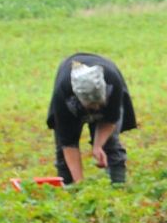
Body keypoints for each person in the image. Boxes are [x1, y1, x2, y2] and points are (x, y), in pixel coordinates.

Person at [46, 54, 137, 185]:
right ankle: (69, 189)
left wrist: (98, 146)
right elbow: (68, 144)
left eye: (99, 104)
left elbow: (111, 120)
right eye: (91, 106)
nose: (96, 108)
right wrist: (80, 184)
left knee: (111, 143)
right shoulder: (63, 95)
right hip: (69, 98)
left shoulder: (113, 84)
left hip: (109, 78)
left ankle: (118, 186)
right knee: (63, 154)